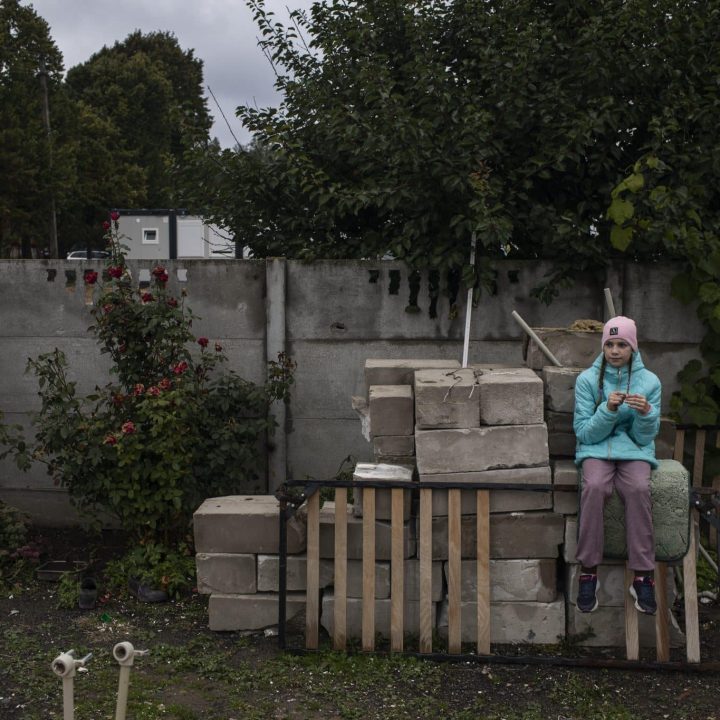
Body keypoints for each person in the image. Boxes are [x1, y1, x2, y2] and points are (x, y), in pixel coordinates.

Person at [573, 316, 661, 614]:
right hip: (596, 448)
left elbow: (642, 437)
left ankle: (643, 575)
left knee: (638, 488)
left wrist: (647, 414)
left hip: (634, 450)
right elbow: (584, 432)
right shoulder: (587, 380)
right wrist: (608, 409)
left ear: (633, 347)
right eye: (609, 344)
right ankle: (588, 571)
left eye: (622, 344)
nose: (614, 351)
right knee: (595, 486)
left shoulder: (650, 382)